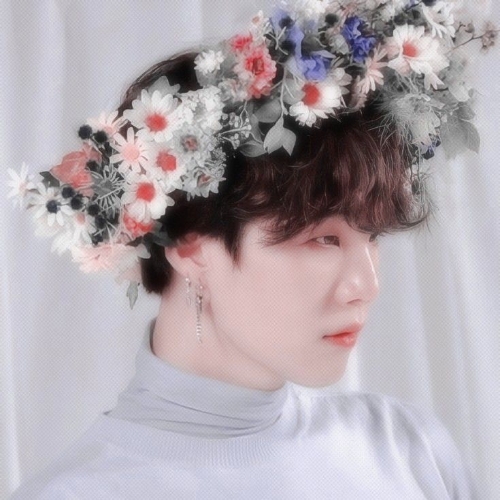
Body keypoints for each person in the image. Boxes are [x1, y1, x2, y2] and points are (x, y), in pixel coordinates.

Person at [8, 0, 491, 498]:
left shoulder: (410, 453)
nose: (366, 286)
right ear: (191, 245)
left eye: (372, 238)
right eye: (323, 239)